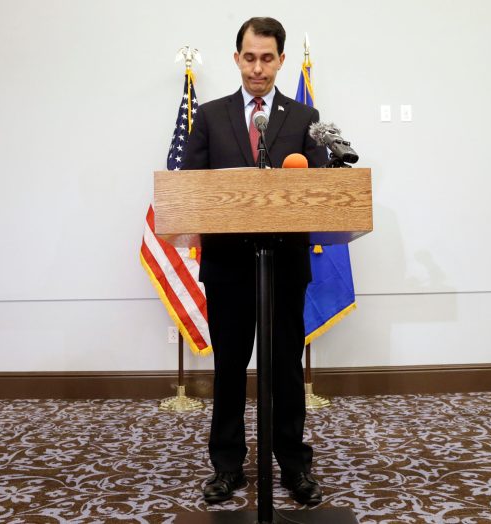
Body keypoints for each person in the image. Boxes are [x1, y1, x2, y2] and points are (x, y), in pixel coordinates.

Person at [183, 17, 328, 506]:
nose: (258, 68)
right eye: (250, 57)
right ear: (236, 58)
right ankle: (227, 468)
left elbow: (320, 189)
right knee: (229, 367)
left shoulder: (304, 119)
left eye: (268, 58)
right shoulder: (210, 116)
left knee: (284, 367)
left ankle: (292, 465)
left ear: (282, 61)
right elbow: (190, 189)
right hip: (227, 266)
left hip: (285, 265)